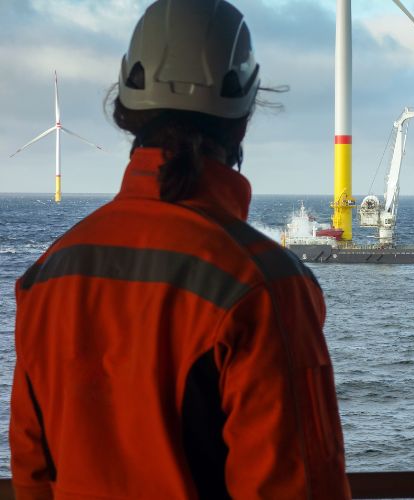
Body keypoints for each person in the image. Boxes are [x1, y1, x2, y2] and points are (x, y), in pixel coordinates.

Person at [9, 0, 350, 498]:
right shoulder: (263, 285)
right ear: (242, 117)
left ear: (127, 110)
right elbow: (294, 485)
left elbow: (32, 475)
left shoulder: (47, 276)